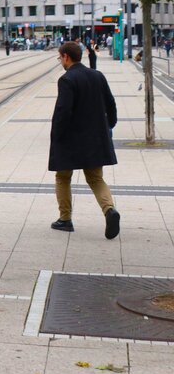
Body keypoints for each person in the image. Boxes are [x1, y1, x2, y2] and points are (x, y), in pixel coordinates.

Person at [49, 41, 120, 238]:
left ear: (66, 57)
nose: (60, 61)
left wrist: (56, 136)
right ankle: (109, 210)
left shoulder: (67, 79)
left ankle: (65, 219)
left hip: (71, 139)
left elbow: (63, 111)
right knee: (96, 178)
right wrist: (110, 125)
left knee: (63, 178)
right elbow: (111, 103)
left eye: (59, 57)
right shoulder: (97, 75)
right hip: (95, 138)